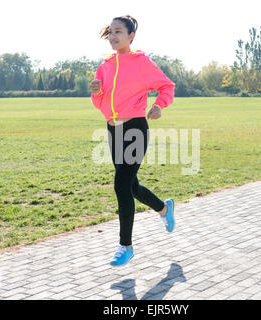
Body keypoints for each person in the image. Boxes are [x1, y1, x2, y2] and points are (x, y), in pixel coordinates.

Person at [89, 15, 176, 267]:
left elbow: (166, 86)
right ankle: (164, 208)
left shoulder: (141, 62)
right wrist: (97, 92)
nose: (113, 36)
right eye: (110, 33)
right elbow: (101, 104)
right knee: (132, 186)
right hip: (113, 130)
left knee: (121, 185)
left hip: (135, 129)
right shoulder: (104, 66)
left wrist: (159, 105)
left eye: (118, 32)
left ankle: (125, 246)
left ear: (131, 36)